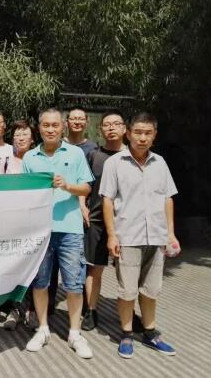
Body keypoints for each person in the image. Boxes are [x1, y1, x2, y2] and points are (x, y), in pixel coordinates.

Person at [100, 112, 180, 359]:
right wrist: (112, 235)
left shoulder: (160, 163)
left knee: (151, 289)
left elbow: (167, 198)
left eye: (148, 133)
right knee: (127, 290)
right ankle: (126, 334)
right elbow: (107, 200)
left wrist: (171, 233)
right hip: (128, 236)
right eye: (138, 132)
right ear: (128, 133)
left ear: (154, 135)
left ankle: (150, 332)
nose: (142, 138)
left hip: (156, 236)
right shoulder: (114, 163)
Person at [23, 108, 94, 359]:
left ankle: (75, 333)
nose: (50, 129)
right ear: (39, 128)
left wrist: (67, 185)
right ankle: (42, 329)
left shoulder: (75, 154)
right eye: (46, 125)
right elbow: (24, 193)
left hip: (70, 229)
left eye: (55, 125)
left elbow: (86, 188)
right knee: (40, 282)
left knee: (74, 283)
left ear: (63, 127)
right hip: (40, 230)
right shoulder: (30, 157)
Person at [81, 110, 126, 331]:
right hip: (97, 220)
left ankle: (129, 313)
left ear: (124, 128)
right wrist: (82, 205)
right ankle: (91, 311)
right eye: (106, 124)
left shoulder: (132, 156)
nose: (111, 128)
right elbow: (84, 183)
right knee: (94, 269)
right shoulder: (93, 155)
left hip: (126, 222)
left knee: (126, 272)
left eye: (116, 124)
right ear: (100, 129)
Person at [0, 120, 37, 330]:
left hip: (33, 223)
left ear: (32, 139)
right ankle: (15, 308)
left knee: (31, 267)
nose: (20, 138)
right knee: (13, 266)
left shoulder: (39, 160)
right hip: (10, 223)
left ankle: (28, 309)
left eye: (25, 134)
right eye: (17, 135)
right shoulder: (5, 161)